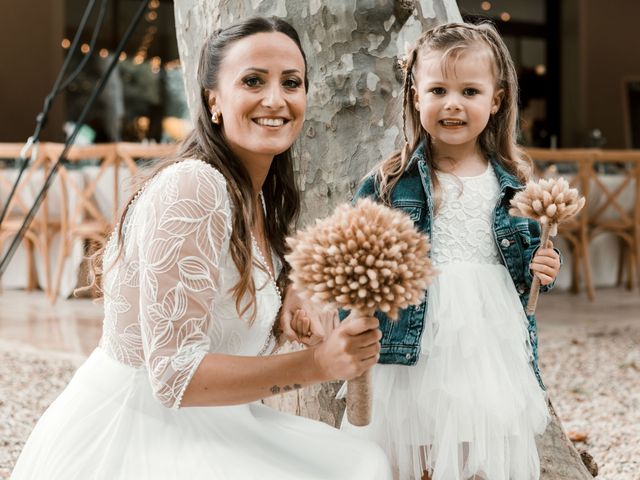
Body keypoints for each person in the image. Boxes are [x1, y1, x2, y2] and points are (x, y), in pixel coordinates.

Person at [12, 17, 391, 480]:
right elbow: (173, 376)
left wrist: (285, 299)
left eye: (291, 83)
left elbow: (220, 310)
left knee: (362, 462)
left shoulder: (258, 194)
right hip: (140, 431)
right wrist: (317, 364)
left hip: (217, 420)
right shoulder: (194, 186)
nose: (276, 99)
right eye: (253, 81)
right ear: (214, 100)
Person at [337, 22, 561, 480]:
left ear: (494, 101)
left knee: (479, 446)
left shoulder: (513, 184)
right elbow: (351, 263)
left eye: (470, 91)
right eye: (438, 89)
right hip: (413, 345)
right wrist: (351, 329)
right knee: (412, 450)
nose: (453, 103)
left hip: (488, 342)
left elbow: (526, 267)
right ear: (416, 96)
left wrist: (546, 267)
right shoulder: (389, 182)